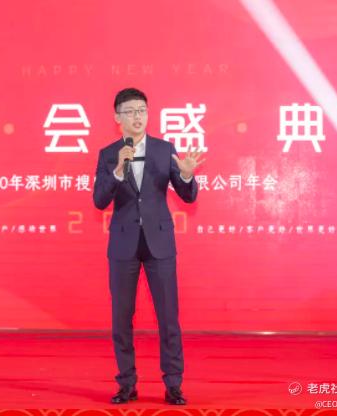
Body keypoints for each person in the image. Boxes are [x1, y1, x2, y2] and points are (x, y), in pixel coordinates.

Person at [93, 87, 204, 405]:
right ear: (117, 118)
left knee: (168, 317)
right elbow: (99, 200)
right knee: (121, 318)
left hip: (160, 243)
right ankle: (126, 383)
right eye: (129, 111)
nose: (137, 116)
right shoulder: (108, 154)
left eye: (141, 110)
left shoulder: (164, 150)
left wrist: (186, 176)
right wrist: (117, 171)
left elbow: (188, 196)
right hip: (123, 245)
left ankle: (173, 384)